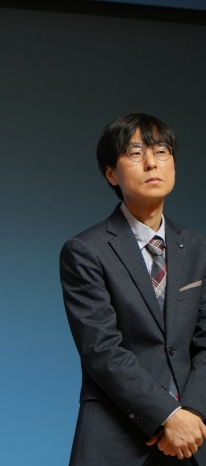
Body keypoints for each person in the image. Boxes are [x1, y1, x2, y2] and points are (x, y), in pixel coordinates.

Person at [60, 112, 206, 465]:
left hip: (193, 439)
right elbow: (101, 350)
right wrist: (167, 415)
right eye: (136, 152)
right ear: (111, 173)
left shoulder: (197, 248)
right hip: (115, 439)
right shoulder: (86, 251)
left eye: (162, 151)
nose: (152, 162)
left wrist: (192, 413)